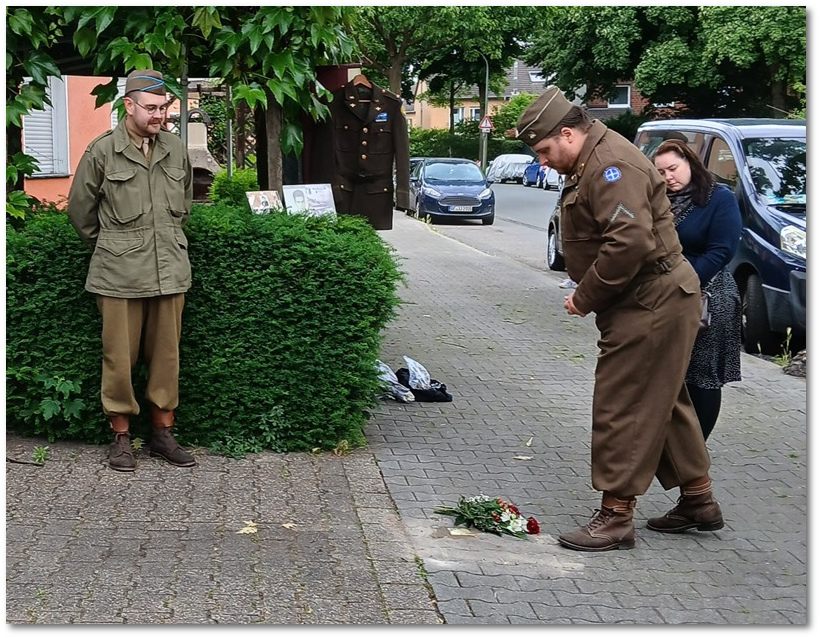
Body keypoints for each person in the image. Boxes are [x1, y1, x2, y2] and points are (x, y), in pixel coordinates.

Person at [515, 87, 724, 551]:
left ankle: (616, 515)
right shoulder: (594, 158)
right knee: (664, 402)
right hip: (650, 298)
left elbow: (628, 242)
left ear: (567, 133)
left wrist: (584, 296)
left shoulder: (612, 164)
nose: (544, 161)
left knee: (623, 404)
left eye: (545, 150)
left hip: (651, 299)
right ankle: (699, 500)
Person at [67, 69, 196, 472]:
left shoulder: (175, 149)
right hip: (118, 274)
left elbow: (184, 206)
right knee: (118, 358)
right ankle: (121, 435)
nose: (160, 116)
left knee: (166, 357)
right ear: (129, 105)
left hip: (169, 270)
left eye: (165, 108)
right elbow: (80, 212)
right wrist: (112, 247)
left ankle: (162, 432)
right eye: (153, 108)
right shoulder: (102, 151)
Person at [653, 139, 743, 442]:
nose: (668, 177)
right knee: (672, 372)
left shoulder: (719, 198)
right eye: (661, 171)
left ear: (690, 162)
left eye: (673, 168)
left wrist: (684, 282)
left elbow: (722, 251)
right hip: (667, 295)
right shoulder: (659, 201)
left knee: (702, 375)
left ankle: (695, 447)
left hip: (710, 296)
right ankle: (674, 441)